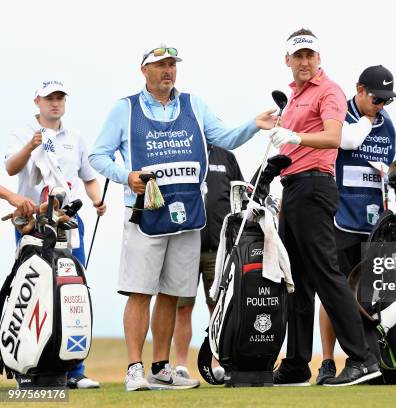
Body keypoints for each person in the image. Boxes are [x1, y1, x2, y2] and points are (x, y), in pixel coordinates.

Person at [88, 44, 277, 392]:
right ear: (144, 70)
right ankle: (134, 367)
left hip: (189, 214)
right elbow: (98, 155)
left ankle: (161, 367)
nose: (167, 71)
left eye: (172, 64)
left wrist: (255, 125)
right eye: (160, 65)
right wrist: (124, 175)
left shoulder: (194, 104)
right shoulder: (124, 109)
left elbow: (224, 138)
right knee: (140, 291)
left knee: (173, 295)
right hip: (145, 213)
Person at [267, 29, 381, 386]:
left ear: (319, 59)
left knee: (327, 275)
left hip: (316, 185)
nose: (304, 62)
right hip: (293, 188)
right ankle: (297, 365)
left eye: (309, 56)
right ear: (287, 60)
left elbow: (334, 135)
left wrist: (296, 137)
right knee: (297, 282)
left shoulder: (328, 91)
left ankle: (362, 359)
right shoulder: (293, 97)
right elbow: (291, 148)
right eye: (297, 56)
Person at [4, 80, 106, 389]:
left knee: (73, 291)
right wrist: (31, 146)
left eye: (60, 98)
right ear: (37, 100)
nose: (55, 103)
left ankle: (74, 370)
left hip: (69, 222)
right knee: (36, 291)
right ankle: (30, 366)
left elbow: (87, 178)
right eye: (49, 98)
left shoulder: (75, 138)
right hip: (33, 223)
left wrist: (97, 199)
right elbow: (10, 168)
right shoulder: (22, 133)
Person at [315, 65, 396, 384]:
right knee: (333, 292)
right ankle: (327, 361)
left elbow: (386, 169)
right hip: (339, 218)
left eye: (387, 100)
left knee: (367, 296)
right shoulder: (340, 116)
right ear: (360, 90)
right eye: (376, 98)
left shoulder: (388, 127)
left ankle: (368, 360)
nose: (381, 105)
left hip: (373, 225)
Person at [173, 145, 243, 381]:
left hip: (219, 248)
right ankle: (181, 365)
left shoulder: (226, 157)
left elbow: (239, 197)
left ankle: (217, 362)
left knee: (219, 309)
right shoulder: (182, 150)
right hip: (184, 246)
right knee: (182, 307)